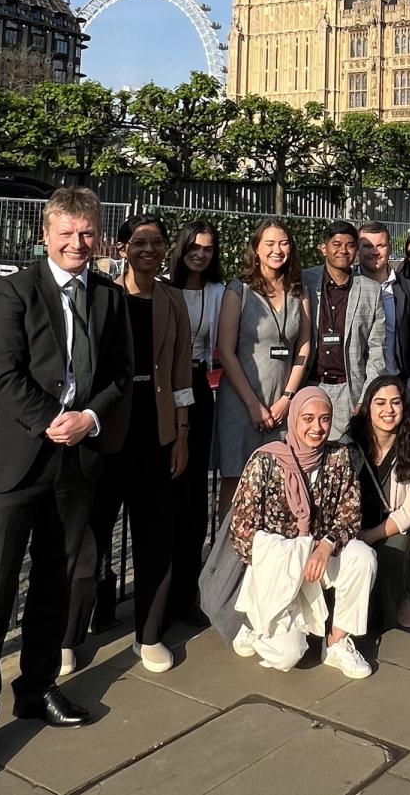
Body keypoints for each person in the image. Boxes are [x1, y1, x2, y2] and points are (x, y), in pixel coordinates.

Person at [0, 187, 131, 790]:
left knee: (56, 584)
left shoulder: (107, 295)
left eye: (88, 233)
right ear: (46, 235)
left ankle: (37, 688)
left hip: (73, 465)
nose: (78, 244)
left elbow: (121, 372)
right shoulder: (14, 290)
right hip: (11, 463)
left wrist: (90, 419)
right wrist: (53, 418)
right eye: (67, 233)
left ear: (99, 234)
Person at [64, 213, 194, 675]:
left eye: (157, 243)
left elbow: (181, 372)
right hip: (105, 435)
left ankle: (149, 633)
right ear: (122, 248)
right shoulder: (103, 296)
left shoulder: (172, 300)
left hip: (156, 434)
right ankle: (69, 636)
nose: (149, 249)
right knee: (88, 542)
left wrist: (181, 433)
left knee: (156, 537)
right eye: (139, 241)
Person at [227, 387, 378, 679]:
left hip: (317, 562)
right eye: (308, 418)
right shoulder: (266, 461)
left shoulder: (338, 458)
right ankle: (256, 628)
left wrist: (324, 547)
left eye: (324, 419)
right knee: (288, 656)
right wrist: (293, 555)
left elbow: (351, 513)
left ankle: (336, 642)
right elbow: (241, 532)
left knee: (362, 556)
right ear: (294, 420)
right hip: (278, 569)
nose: (317, 428)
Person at [215, 218, 311, 519]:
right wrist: (254, 406)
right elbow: (227, 352)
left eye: (283, 243)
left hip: (282, 403)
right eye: (269, 243)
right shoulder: (239, 290)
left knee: (279, 480)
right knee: (236, 479)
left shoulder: (299, 290)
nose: (277, 250)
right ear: (256, 249)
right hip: (242, 401)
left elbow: (304, 348)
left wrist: (287, 397)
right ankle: (226, 556)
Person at [167, 219, 224, 627]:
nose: (201, 253)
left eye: (208, 247)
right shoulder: (164, 290)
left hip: (198, 388)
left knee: (193, 500)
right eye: (195, 246)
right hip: (163, 391)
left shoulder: (217, 293)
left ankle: (187, 592)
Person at [348, 375, 410, 632]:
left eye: (395, 402)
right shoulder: (351, 444)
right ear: (368, 407)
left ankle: (402, 594)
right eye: (380, 402)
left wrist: (370, 536)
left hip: (394, 525)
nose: (388, 410)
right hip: (355, 520)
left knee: (390, 554)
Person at [302, 220, 386, 443]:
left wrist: (366, 397)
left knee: (347, 461)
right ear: (324, 248)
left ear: (356, 251)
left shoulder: (371, 290)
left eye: (350, 245)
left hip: (349, 391)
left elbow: (377, 351)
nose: (343, 250)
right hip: (309, 384)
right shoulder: (304, 281)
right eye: (336, 244)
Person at [357, 221, 410, 407]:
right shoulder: (348, 286)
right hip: (357, 388)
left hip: (398, 384)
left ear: (389, 247)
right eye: (367, 246)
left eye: (380, 245)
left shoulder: (408, 288)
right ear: (358, 249)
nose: (374, 252)